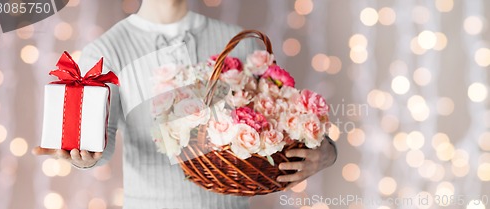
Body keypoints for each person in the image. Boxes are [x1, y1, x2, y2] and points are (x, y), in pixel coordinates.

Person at [33, 0, 337, 208]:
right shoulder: (106, 51)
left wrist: (328, 152)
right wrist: (84, 157)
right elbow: (102, 140)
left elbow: (279, 123)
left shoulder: (239, 41)